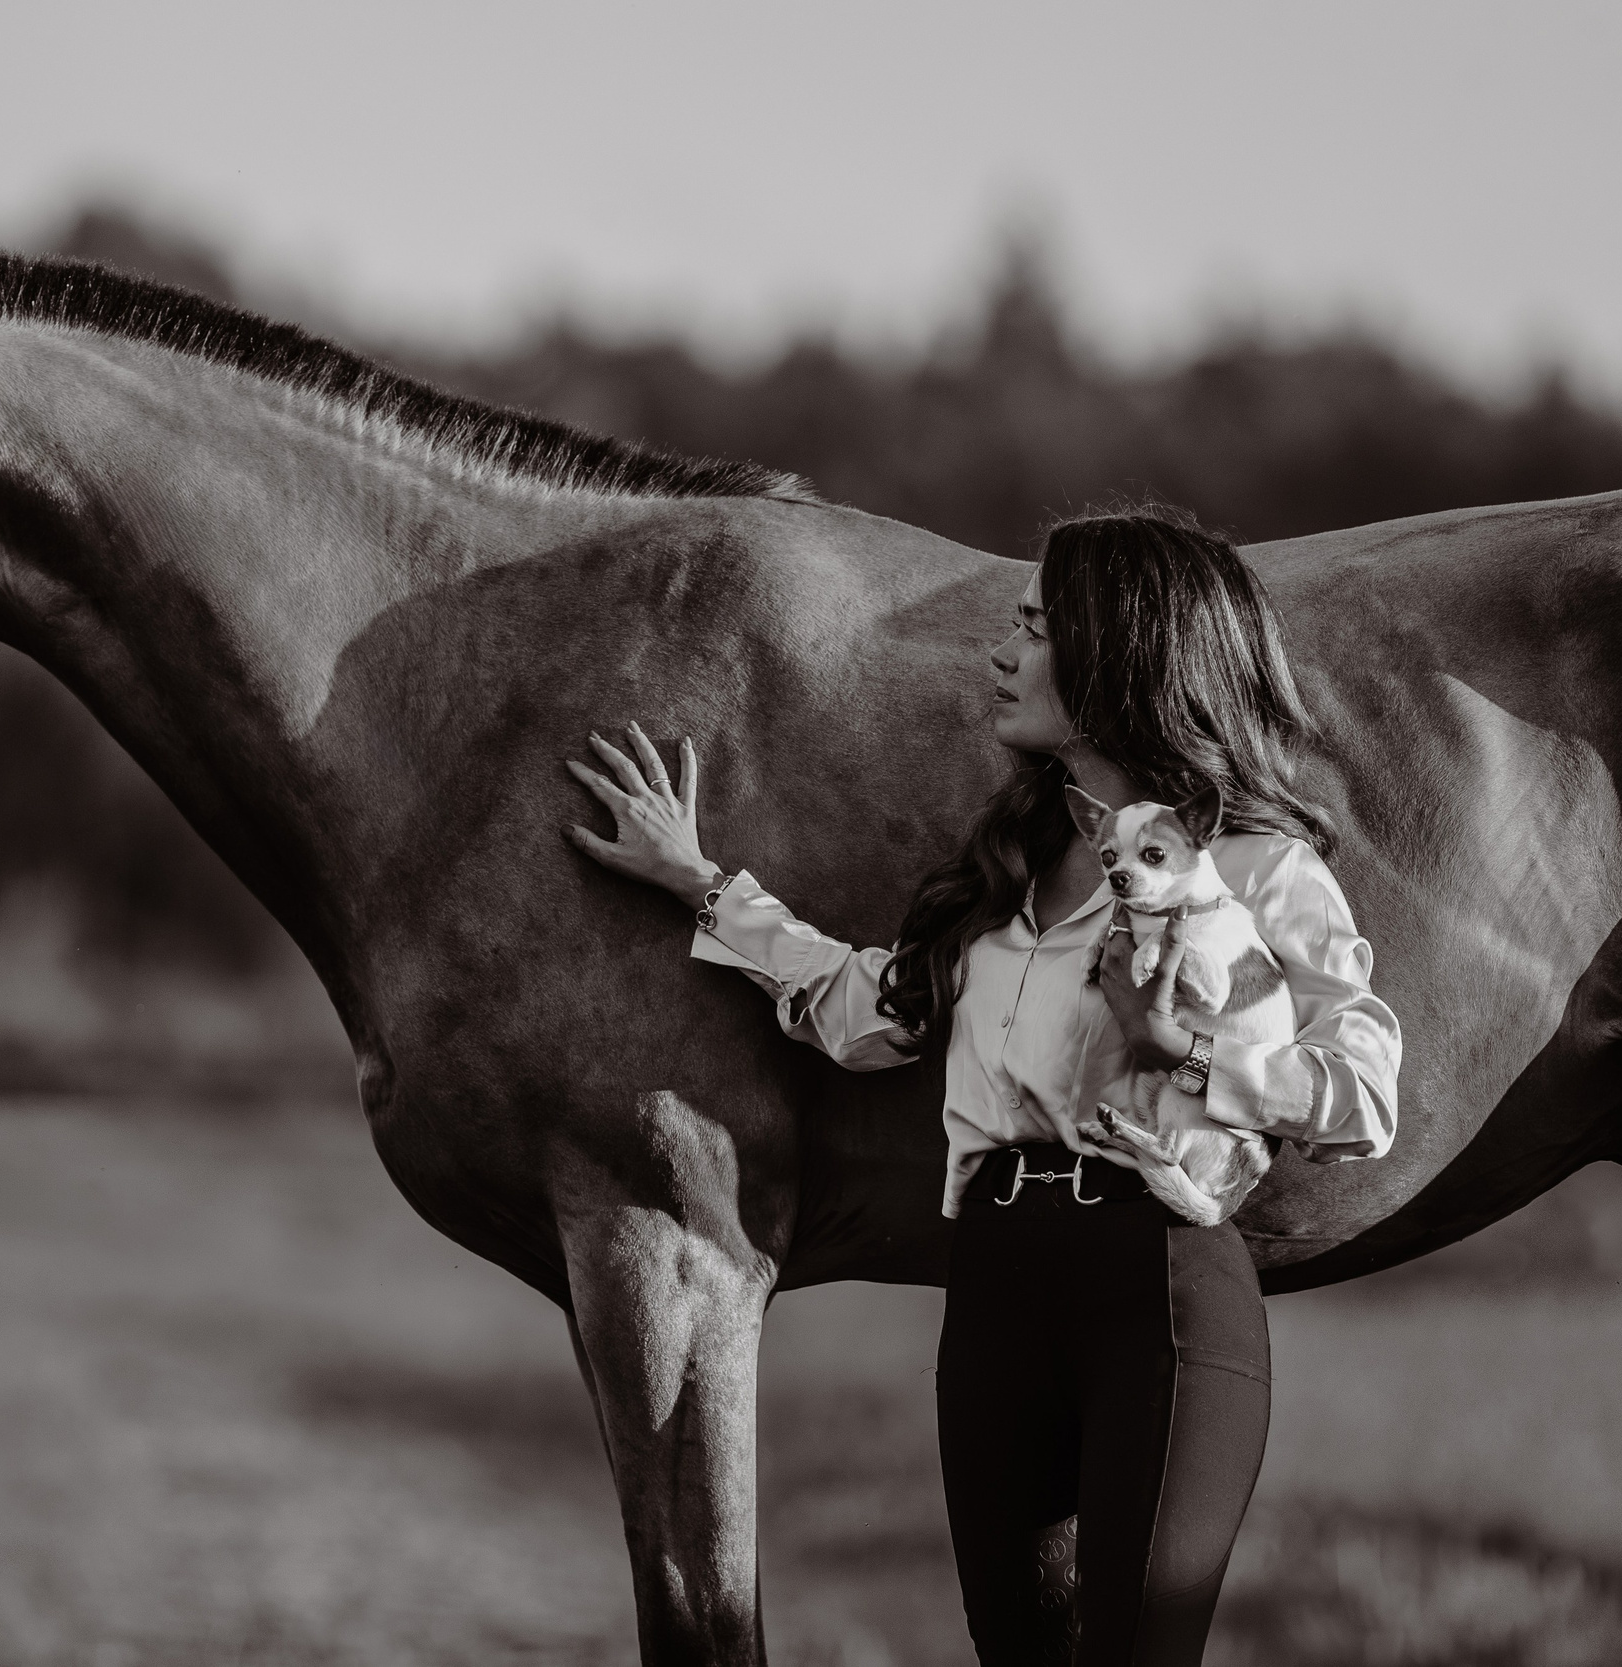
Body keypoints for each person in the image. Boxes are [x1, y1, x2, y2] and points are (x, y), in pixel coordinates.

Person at [562, 505, 1402, 1665]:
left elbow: (1365, 1094)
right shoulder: (1010, 866)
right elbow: (868, 1017)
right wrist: (698, 883)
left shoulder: (1258, 867)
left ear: (1123, 653)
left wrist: (1185, 1051)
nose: (1001, 655)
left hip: (1157, 1287)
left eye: (1036, 631)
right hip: (994, 1298)